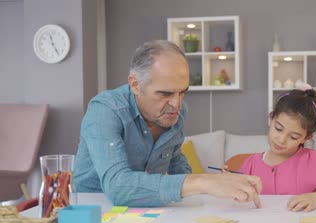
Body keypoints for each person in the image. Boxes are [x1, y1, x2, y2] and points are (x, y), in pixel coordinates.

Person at [74, 40, 262, 208]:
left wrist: (220, 185)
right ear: (135, 84)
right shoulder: (104, 110)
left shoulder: (176, 111)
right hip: (93, 209)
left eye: (182, 92)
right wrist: (202, 182)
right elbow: (118, 187)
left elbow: (174, 158)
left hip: (144, 211)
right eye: (165, 94)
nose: (177, 104)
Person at [238, 88, 316, 212]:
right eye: (278, 128)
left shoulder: (314, 161)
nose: (281, 140)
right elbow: (235, 196)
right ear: (271, 119)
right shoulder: (251, 163)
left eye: (293, 137)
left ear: (306, 137)